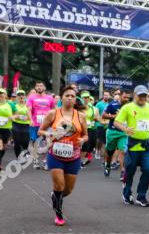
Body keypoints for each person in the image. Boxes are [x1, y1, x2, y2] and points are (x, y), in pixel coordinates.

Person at [38, 86, 87, 226]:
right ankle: (59, 214)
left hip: (73, 155)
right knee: (59, 185)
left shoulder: (81, 116)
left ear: (75, 99)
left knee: (68, 189)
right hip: (55, 154)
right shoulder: (53, 114)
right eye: (67, 95)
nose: (70, 98)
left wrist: (82, 140)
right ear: (61, 97)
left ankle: (56, 196)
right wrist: (49, 134)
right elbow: (40, 131)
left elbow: (86, 135)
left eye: (72, 96)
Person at [114, 86, 149, 207]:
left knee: (148, 170)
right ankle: (127, 193)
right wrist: (125, 129)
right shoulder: (127, 107)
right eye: (140, 95)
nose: (143, 98)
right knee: (130, 170)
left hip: (147, 145)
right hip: (133, 144)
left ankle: (141, 196)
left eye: (145, 95)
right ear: (134, 95)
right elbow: (117, 122)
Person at [27, 81, 56, 169]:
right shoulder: (31, 98)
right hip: (35, 124)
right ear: (36, 88)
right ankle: (35, 161)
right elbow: (28, 109)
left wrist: (53, 121)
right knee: (35, 142)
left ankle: (45, 161)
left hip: (47, 124)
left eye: (41, 86)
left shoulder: (50, 98)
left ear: (44, 88)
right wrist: (30, 119)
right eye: (38, 86)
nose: (39, 87)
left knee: (48, 142)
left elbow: (54, 110)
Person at [103, 90, 129, 178]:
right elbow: (104, 115)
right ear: (120, 96)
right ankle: (107, 165)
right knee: (110, 152)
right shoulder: (112, 105)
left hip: (123, 132)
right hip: (112, 131)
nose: (126, 99)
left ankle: (123, 171)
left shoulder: (129, 106)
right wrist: (115, 116)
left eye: (128, 97)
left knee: (122, 151)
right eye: (125, 97)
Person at [11, 89, 31, 159]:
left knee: (25, 142)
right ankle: (18, 156)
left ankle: (25, 151)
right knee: (17, 142)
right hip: (16, 124)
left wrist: (28, 118)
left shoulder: (28, 105)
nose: (21, 96)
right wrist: (17, 116)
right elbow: (11, 116)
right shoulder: (13, 105)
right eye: (19, 95)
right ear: (16, 97)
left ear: (25, 96)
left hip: (26, 125)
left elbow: (31, 116)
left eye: (22, 95)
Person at [79, 91, 97, 167]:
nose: (86, 99)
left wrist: (103, 121)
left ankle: (84, 158)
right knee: (84, 145)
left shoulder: (92, 107)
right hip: (81, 128)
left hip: (91, 128)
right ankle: (79, 161)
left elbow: (96, 117)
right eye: (84, 97)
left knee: (92, 143)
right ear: (81, 98)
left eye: (87, 97)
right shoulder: (78, 107)